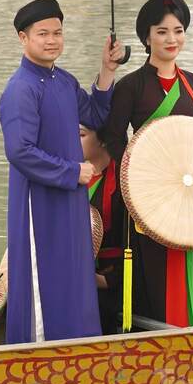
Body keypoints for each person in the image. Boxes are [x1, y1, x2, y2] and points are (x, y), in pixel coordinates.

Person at [0, 0, 124, 344]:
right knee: (44, 277)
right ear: (23, 38)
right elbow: (19, 151)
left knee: (75, 274)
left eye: (57, 33)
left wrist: (107, 70)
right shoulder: (20, 89)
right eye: (43, 34)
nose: (52, 40)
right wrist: (72, 172)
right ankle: (39, 355)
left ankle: (78, 349)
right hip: (38, 203)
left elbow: (96, 115)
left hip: (70, 196)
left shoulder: (64, 81)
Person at [104, 0, 193, 327]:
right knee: (155, 273)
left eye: (178, 31)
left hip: (190, 194)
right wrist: (138, 177)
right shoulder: (131, 86)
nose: (172, 39)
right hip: (149, 199)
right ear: (147, 37)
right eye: (162, 31)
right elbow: (113, 138)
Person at [80, 124, 124, 335]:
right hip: (77, 276)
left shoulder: (124, 181)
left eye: (81, 134)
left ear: (103, 140)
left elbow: (138, 244)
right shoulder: (72, 174)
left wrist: (106, 281)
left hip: (110, 281)